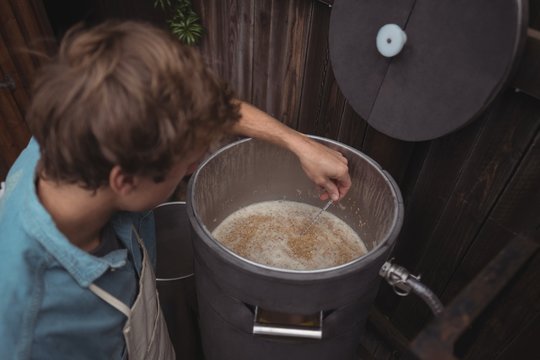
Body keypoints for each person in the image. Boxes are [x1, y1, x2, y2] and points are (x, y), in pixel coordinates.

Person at [0, 21, 351, 359]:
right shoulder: (35, 327)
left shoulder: (82, 125)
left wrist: (298, 144)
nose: (193, 169)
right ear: (124, 181)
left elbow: (202, 111)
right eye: (185, 167)